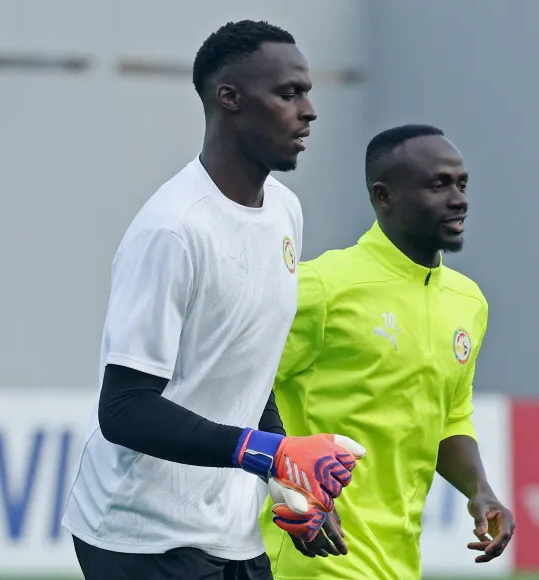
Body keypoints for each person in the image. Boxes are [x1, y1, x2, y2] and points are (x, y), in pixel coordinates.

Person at [61, 20, 365, 580]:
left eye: (308, 92)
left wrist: (289, 482)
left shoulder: (285, 211)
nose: (310, 110)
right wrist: (267, 453)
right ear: (230, 99)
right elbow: (124, 409)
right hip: (140, 536)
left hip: (232, 531)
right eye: (289, 93)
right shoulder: (172, 230)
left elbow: (250, 369)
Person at [259, 124, 516, 579]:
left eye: (462, 184)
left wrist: (480, 489)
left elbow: (451, 416)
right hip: (313, 558)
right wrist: (292, 486)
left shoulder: (468, 302)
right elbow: (243, 388)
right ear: (384, 196)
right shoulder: (323, 287)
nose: (459, 199)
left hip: (397, 562)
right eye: (438, 185)